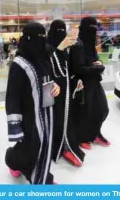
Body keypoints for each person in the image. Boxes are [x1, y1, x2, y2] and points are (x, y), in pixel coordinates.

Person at [5, 22, 60, 184]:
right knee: (35, 144)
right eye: (38, 38)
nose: (41, 41)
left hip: (47, 111)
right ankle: (41, 181)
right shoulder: (19, 64)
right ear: (27, 39)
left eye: (44, 37)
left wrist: (56, 85)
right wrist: (15, 125)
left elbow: (50, 78)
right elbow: (12, 96)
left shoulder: (45, 57)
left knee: (40, 144)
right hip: (29, 114)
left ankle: (14, 161)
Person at [47, 20, 85, 167]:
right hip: (53, 91)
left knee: (67, 119)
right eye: (58, 30)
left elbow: (68, 71)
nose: (61, 33)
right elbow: (49, 69)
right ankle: (55, 148)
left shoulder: (68, 48)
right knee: (56, 119)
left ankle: (67, 147)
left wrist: (76, 81)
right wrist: (59, 49)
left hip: (67, 90)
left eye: (64, 30)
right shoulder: (46, 47)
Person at [69, 17, 110, 149]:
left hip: (94, 81)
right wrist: (96, 68)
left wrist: (100, 64)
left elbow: (96, 61)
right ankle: (83, 137)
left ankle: (95, 133)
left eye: (95, 28)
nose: (93, 31)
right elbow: (77, 69)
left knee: (103, 109)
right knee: (85, 112)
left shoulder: (90, 44)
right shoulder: (78, 45)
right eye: (90, 28)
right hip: (83, 84)